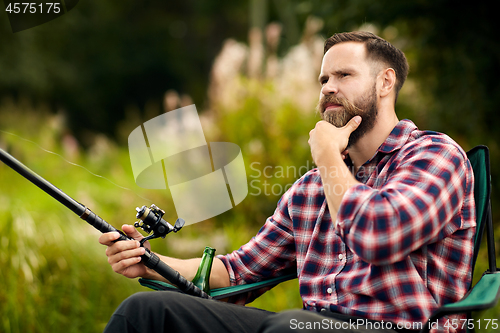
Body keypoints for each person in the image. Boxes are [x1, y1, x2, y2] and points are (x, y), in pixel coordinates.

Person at [99, 31, 475, 333]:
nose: (328, 87)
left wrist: (328, 155)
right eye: (324, 79)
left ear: (385, 82)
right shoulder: (310, 190)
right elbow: (239, 271)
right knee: (145, 312)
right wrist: (150, 262)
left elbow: (378, 235)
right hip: (305, 326)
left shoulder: (434, 156)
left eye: (344, 75)